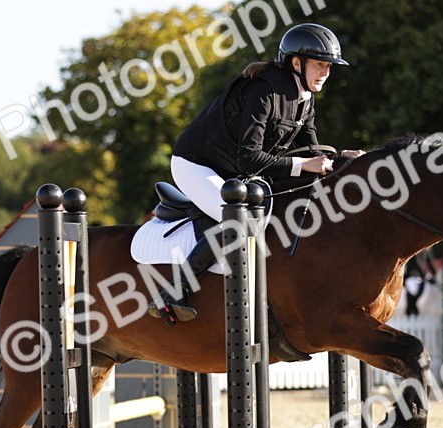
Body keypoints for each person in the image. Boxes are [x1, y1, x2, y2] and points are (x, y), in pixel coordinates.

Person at [147, 22, 365, 323]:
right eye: (319, 65)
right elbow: (250, 158)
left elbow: (314, 157)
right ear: (296, 62)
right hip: (196, 164)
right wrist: (304, 165)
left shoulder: (305, 100)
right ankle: (173, 290)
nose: (325, 73)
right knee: (239, 218)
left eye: (329, 66)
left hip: (233, 172)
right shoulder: (265, 91)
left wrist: (342, 158)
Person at [403, 248, 439, 317]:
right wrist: (428, 275)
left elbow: (431, 265)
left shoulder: (420, 250)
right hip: (413, 277)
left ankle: (412, 313)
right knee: (412, 300)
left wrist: (433, 276)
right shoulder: (425, 250)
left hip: (415, 278)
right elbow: (418, 263)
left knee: (412, 301)